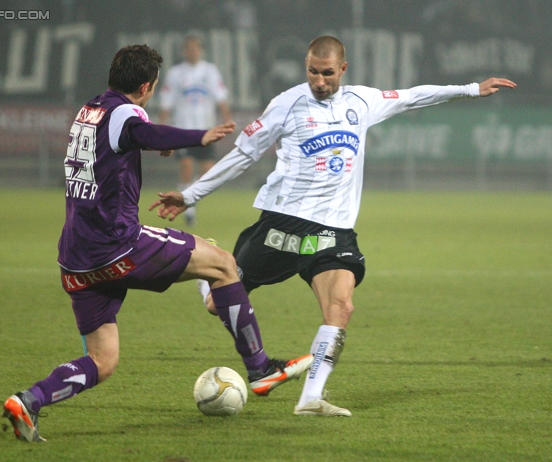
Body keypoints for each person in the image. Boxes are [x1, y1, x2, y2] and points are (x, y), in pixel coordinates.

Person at [150, 36, 516, 417]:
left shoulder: (362, 101)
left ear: (342, 69)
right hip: (283, 225)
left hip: (333, 231)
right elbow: (244, 154)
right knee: (216, 303)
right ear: (305, 67)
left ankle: (310, 398)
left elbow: (412, 96)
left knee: (341, 306)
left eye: (327, 73)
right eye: (313, 72)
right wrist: (190, 195)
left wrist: (472, 89)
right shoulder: (287, 105)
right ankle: (206, 273)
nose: (320, 81)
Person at [2, 45, 312, 442]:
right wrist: (199, 137)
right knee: (222, 264)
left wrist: (147, 142)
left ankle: (28, 401)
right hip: (118, 245)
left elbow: (126, 140)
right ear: (147, 87)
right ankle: (260, 368)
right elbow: (139, 129)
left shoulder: (90, 110)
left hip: (76, 259)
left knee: (103, 359)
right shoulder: (126, 113)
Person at [158, 34, 232, 226]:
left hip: (205, 129)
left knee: (208, 171)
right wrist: (160, 130)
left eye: (195, 48)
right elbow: (167, 102)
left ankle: (190, 200)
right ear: (184, 51)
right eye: (188, 48)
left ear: (201, 50)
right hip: (183, 130)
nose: (192, 51)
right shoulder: (175, 73)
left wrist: (227, 118)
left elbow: (220, 96)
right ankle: (188, 211)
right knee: (187, 167)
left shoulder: (210, 71)